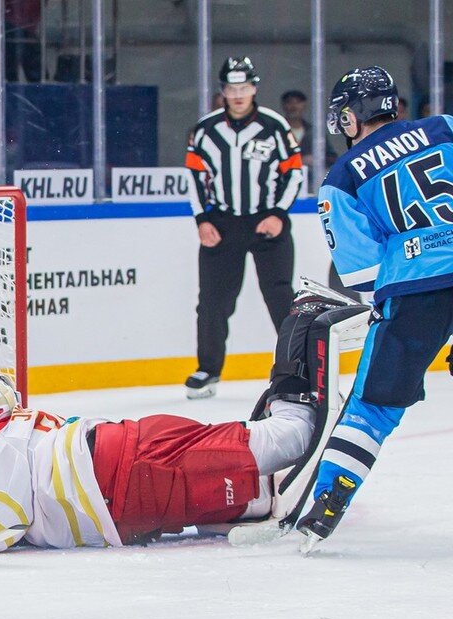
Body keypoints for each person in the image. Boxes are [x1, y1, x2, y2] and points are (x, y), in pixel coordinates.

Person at [0, 289, 363, 555]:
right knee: (253, 490)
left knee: (292, 437)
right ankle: (302, 351)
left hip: (134, 477)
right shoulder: (28, 425)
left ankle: (303, 321)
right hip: (134, 455)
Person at [298, 66, 453, 550]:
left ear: (351, 116)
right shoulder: (444, 127)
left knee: (372, 409)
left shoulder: (342, 178)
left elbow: (362, 274)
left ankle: (326, 507)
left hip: (415, 289)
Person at [184, 56, 303, 399]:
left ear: (254, 89)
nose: (238, 95)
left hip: (267, 221)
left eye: (244, 88)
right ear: (222, 91)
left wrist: (278, 213)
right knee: (212, 301)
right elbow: (194, 177)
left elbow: (294, 172)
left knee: (280, 296)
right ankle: (208, 369)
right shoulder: (205, 130)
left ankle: (297, 368)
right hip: (222, 223)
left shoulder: (274, 125)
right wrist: (202, 219)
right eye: (231, 88)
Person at [280, 89, 338, 167]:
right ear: (283, 105)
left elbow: (332, 157)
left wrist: (317, 159)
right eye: (289, 102)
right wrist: (300, 161)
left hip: (311, 174)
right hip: (284, 174)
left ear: (304, 105)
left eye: (298, 102)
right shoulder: (278, 130)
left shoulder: (314, 132)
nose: (294, 106)